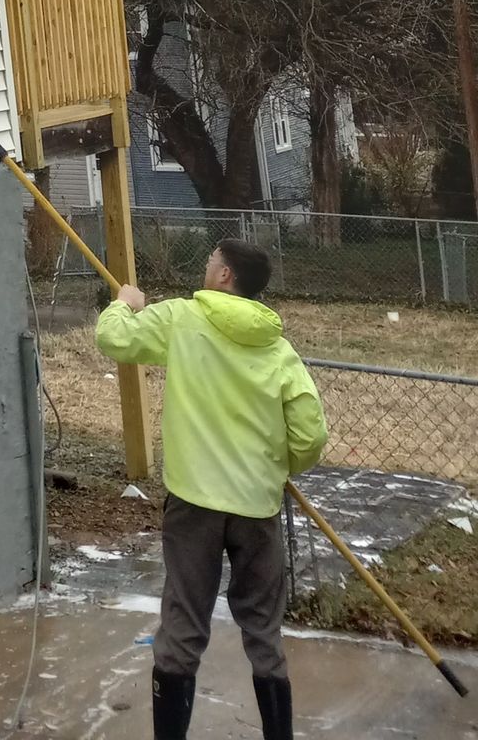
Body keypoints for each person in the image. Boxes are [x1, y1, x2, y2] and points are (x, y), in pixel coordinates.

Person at [95, 237, 328, 740]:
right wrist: (278, 467)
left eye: (210, 262)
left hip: (193, 506)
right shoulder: (278, 349)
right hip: (256, 506)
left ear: (225, 276)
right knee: (263, 629)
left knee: (183, 625)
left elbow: (115, 340)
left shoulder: (181, 319)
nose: (205, 267)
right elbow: (310, 435)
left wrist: (123, 304)